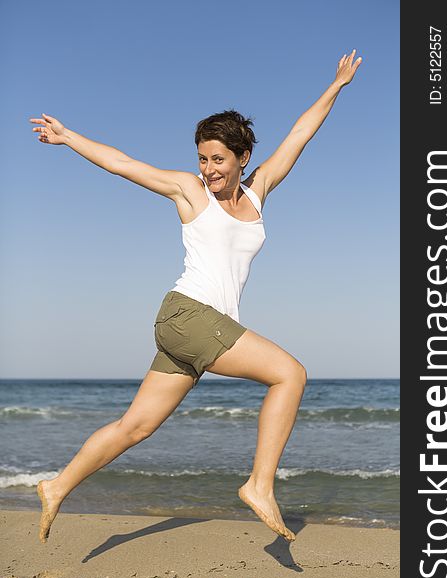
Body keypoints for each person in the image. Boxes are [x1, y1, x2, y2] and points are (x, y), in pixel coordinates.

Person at [30, 50, 362, 545]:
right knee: (290, 373)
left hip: (194, 327)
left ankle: (56, 486)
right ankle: (259, 485)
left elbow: (299, 135)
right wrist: (68, 136)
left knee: (135, 427)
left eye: (218, 159)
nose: (208, 169)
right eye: (203, 158)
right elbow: (123, 164)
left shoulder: (257, 191)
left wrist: (335, 87)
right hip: (189, 314)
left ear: (242, 158)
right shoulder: (191, 192)